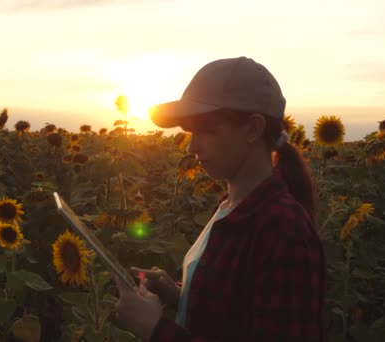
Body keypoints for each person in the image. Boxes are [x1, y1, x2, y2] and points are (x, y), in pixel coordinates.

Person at [113, 56, 326, 341]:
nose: (191, 146)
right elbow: (236, 316)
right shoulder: (230, 207)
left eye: (206, 130)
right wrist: (179, 294)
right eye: (190, 132)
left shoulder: (283, 229)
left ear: (253, 128)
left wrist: (155, 330)